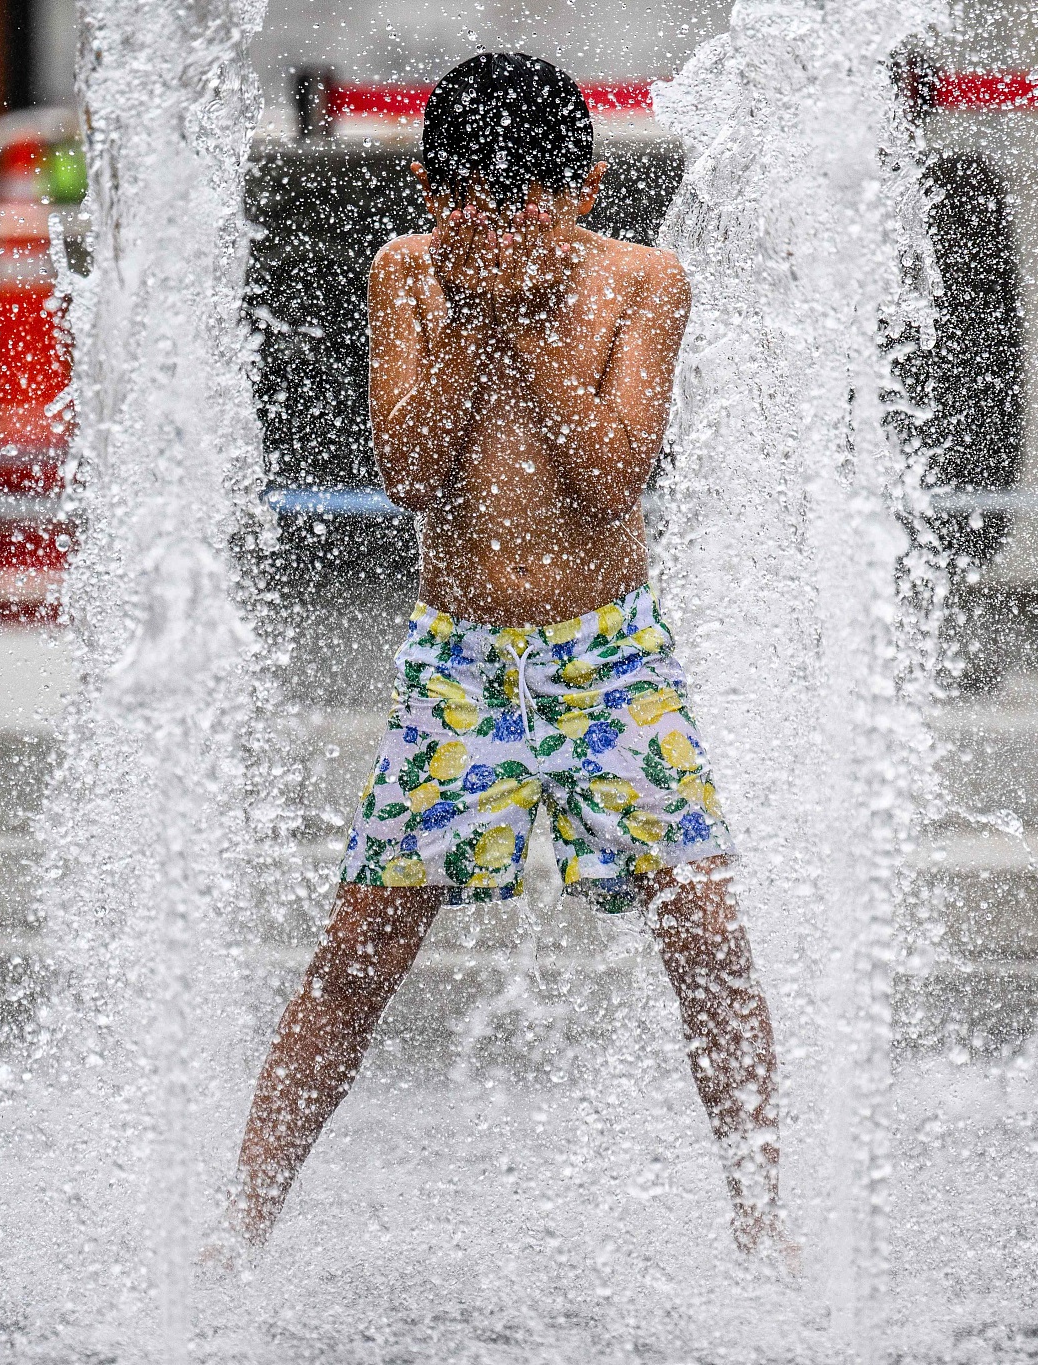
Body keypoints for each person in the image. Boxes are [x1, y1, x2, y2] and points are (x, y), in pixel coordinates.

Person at [228, 52, 785, 1259]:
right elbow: (410, 474)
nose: (504, 218)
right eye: (477, 195)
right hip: (463, 662)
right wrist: (475, 322)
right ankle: (238, 1226)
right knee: (361, 947)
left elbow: (612, 476)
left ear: (580, 189)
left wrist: (526, 321)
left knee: (704, 930)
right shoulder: (407, 279)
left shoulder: (645, 283)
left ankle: (761, 1221)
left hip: (606, 654)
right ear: (434, 194)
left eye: (531, 193)